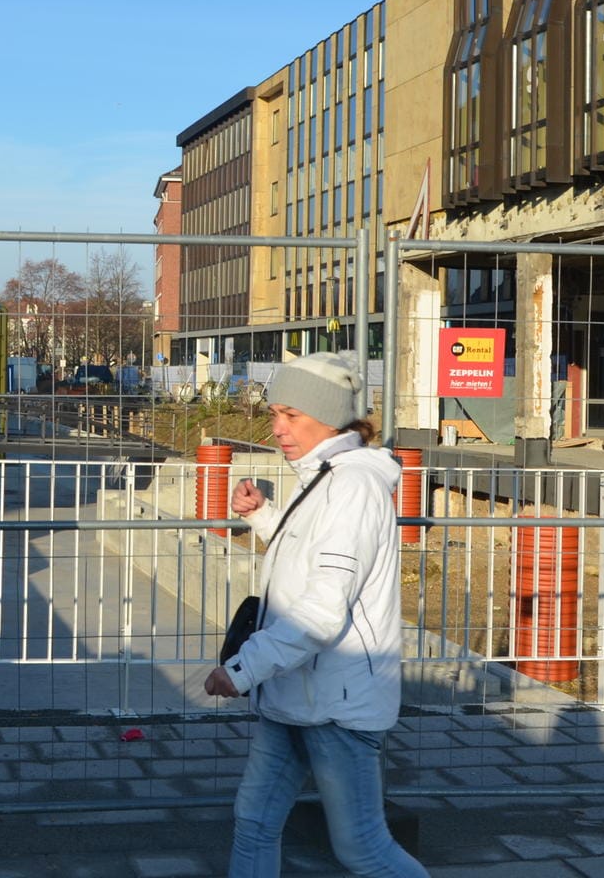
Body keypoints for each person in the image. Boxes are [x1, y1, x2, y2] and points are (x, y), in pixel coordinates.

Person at [204, 352, 427, 878]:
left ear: (329, 419)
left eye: (290, 415)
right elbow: (313, 556)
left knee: (364, 849)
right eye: (275, 413)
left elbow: (325, 608)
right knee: (253, 822)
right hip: (294, 695)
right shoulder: (325, 475)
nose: (276, 428)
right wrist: (263, 514)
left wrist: (242, 669)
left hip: (334, 706)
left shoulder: (352, 486)